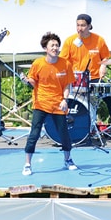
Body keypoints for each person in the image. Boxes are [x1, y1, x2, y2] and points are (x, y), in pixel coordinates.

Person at [20, 32, 77, 176]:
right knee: (34, 133)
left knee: (63, 133)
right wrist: (27, 81)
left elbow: (67, 86)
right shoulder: (38, 63)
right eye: (52, 45)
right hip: (41, 103)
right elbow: (33, 81)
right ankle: (27, 164)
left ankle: (68, 159)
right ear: (45, 48)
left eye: (57, 45)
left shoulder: (66, 64)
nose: (55, 48)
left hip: (58, 103)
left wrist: (65, 100)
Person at [60, 13, 111, 128]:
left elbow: (105, 57)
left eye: (83, 25)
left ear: (89, 26)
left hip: (94, 78)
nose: (80, 28)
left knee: (110, 97)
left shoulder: (99, 40)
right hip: (75, 79)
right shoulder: (70, 41)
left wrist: (103, 66)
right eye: (77, 25)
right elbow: (63, 60)